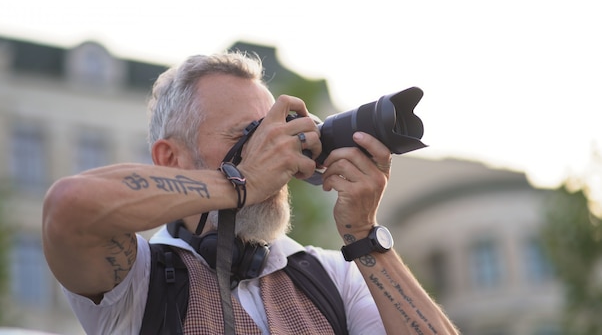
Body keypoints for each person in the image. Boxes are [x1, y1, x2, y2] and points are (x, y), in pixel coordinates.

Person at [42, 51, 459, 334]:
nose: (276, 150)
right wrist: (240, 181)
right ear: (170, 158)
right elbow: (69, 207)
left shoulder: (333, 275)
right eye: (249, 135)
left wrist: (364, 234)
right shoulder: (138, 280)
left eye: (277, 133)